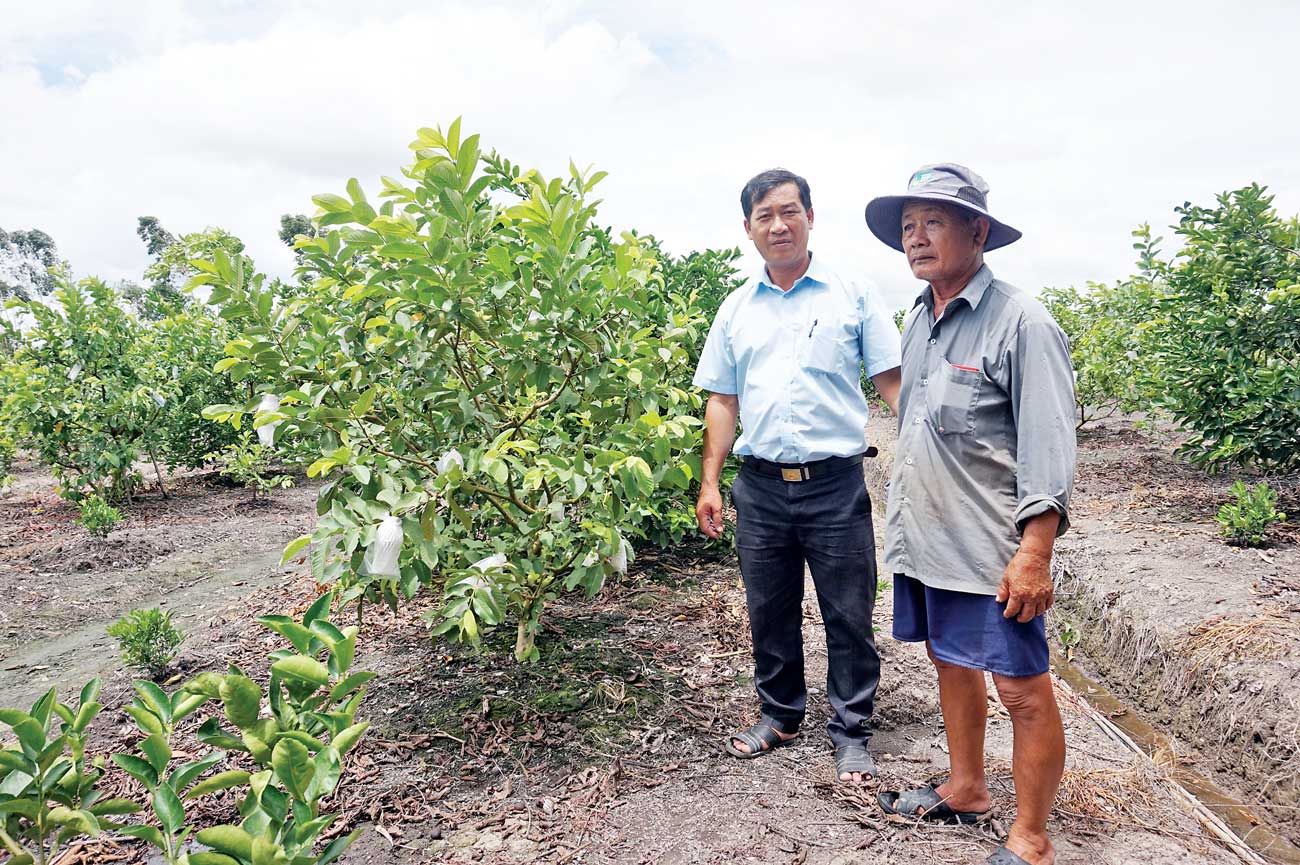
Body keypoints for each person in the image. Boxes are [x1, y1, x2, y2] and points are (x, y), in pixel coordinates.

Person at [863, 164, 1076, 865]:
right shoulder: (920, 317)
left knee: (1021, 687)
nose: (916, 239)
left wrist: (1035, 550)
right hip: (928, 539)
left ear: (977, 231)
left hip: (991, 547)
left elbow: (1048, 444)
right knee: (948, 659)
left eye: (932, 223)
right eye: (907, 227)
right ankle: (966, 787)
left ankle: (1032, 836)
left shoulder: (1022, 321)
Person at [694, 168, 902, 783]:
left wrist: (933, 447)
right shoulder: (735, 308)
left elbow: (891, 383)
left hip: (835, 483)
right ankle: (781, 715)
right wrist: (710, 480)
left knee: (848, 610)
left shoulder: (853, 294)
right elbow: (723, 400)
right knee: (770, 607)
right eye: (765, 216)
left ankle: (851, 728)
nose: (778, 225)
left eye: (789, 211)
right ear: (748, 229)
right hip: (758, 485)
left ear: (811, 216)